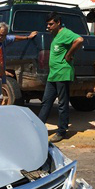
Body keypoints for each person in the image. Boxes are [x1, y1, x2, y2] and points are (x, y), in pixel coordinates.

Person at [37, 12, 84, 142]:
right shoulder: (55, 34)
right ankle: (38, 128)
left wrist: (69, 55)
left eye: (51, 24)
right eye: (47, 24)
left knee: (62, 103)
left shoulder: (66, 33)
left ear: (58, 23)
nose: (49, 27)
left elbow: (79, 39)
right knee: (46, 101)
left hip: (62, 72)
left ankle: (62, 131)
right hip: (53, 74)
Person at [0, 23, 37, 105]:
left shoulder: (2, 40)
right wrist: (3, 72)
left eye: (5, 35)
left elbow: (14, 38)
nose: (3, 38)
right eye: (1, 35)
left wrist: (27, 37)